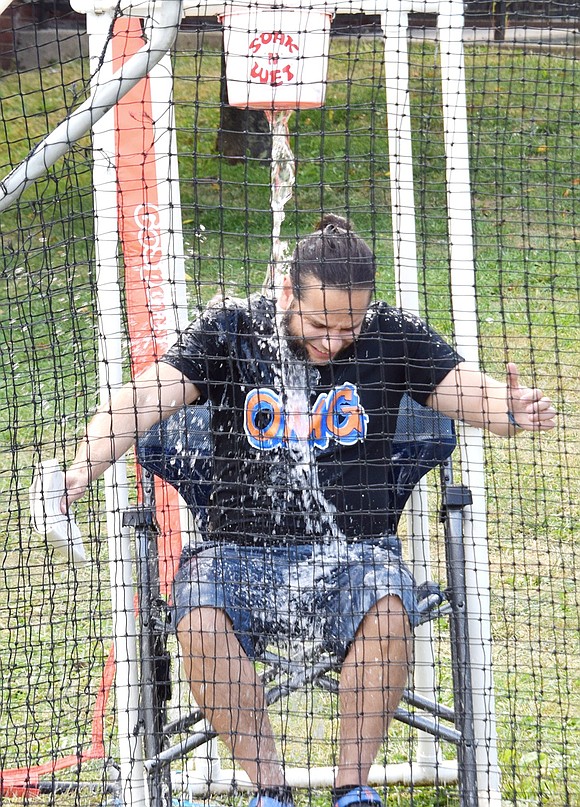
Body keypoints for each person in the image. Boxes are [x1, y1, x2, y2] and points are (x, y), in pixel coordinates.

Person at [60, 215, 555, 807]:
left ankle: (354, 790)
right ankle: (270, 791)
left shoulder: (391, 334)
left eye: (348, 327)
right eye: (320, 323)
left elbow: (467, 392)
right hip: (234, 555)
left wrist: (512, 408)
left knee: (389, 608)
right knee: (197, 614)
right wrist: (75, 473)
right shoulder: (233, 332)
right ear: (288, 291)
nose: (333, 341)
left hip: (356, 557)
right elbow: (143, 399)